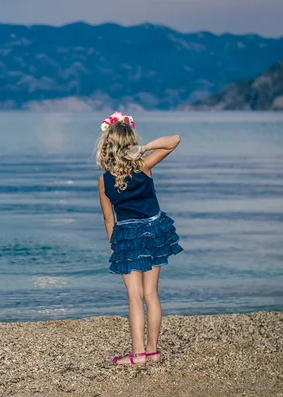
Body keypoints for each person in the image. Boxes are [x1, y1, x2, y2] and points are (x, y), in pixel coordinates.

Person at [96, 112, 183, 366]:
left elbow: (108, 219)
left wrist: (116, 246)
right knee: (151, 293)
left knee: (134, 296)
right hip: (154, 231)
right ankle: (152, 350)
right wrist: (144, 149)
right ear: (130, 143)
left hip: (127, 235)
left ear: (106, 146)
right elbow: (174, 140)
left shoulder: (104, 181)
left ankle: (138, 355)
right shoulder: (144, 165)